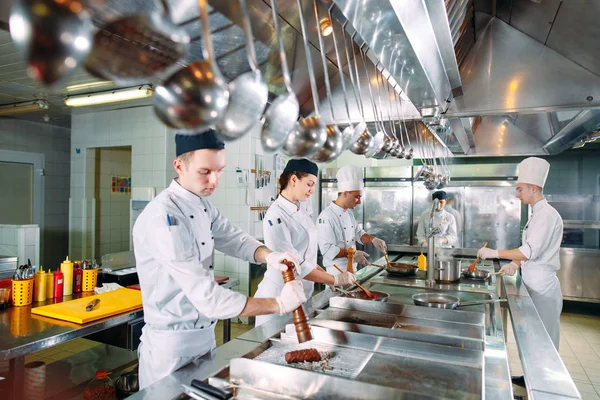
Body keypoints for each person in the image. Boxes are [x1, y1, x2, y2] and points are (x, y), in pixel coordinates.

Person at [132, 131, 307, 389]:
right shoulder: (164, 217)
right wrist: (278, 304)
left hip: (204, 339)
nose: (214, 180)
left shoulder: (202, 204)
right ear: (179, 166)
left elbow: (233, 238)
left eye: (220, 171)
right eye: (205, 171)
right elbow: (208, 298)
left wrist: (270, 255)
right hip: (170, 349)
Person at [254, 159, 356, 326]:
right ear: (293, 180)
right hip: (279, 298)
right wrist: (333, 280)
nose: (312, 190)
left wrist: (321, 272)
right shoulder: (276, 216)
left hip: (302, 295)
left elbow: (304, 253)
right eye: (309, 184)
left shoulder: (300, 209)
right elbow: (294, 264)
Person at [477, 157, 563, 352]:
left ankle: (544, 382)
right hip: (532, 282)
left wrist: (494, 253)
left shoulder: (546, 215)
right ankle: (528, 379)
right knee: (533, 334)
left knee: (545, 339)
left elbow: (529, 251)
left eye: (520, 189)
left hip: (542, 287)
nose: (516, 195)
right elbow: (530, 247)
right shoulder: (537, 214)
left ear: (534, 188)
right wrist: (515, 264)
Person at [317, 165, 387, 274]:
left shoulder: (349, 213)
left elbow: (359, 233)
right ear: (345, 193)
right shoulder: (326, 217)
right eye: (356, 197)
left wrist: (373, 239)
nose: (359, 201)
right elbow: (327, 250)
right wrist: (352, 254)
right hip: (336, 272)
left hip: (353, 268)